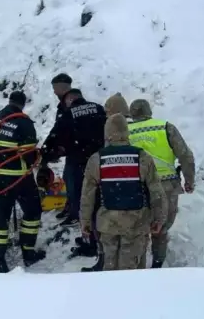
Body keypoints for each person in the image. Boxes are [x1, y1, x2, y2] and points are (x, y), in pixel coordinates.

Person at [80, 114, 167, 271]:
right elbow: (156, 191)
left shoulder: (97, 159)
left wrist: (85, 221)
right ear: (127, 133)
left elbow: (87, 195)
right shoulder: (142, 156)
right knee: (133, 266)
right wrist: (159, 218)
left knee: (110, 266)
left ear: (107, 134)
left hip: (107, 223)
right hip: (136, 222)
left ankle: (112, 294)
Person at [0, 91, 46, 272]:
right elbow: (30, 156)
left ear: (9, 101)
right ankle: (28, 252)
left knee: (0, 219)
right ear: (23, 104)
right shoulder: (24, 123)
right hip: (20, 179)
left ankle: (0, 259)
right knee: (32, 212)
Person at [128, 99, 196, 268]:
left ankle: (137, 264)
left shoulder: (125, 131)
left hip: (137, 186)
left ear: (132, 114)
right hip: (166, 185)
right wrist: (189, 180)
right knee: (161, 228)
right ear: (149, 111)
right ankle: (157, 265)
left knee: (139, 228)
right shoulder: (165, 127)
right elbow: (185, 155)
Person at [79, 91, 131, 272]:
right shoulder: (135, 126)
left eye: (108, 111)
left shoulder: (115, 129)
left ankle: (106, 263)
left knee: (104, 229)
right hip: (133, 189)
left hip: (113, 188)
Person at [51, 88, 107, 227]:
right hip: (97, 155)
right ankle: (90, 213)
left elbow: (57, 135)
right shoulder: (98, 108)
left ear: (70, 99)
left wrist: (50, 153)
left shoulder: (68, 113)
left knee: (74, 187)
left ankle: (76, 215)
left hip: (77, 157)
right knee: (94, 186)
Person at [41, 73, 74, 220]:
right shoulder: (66, 104)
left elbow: (59, 129)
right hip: (74, 150)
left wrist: (49, 148)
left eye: (55, 88)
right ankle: (71, 207)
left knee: (73, 180)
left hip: (77, 151)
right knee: (68, 178)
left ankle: (74, 212)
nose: (54, 92)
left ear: (61, 87)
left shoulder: (69, 105)